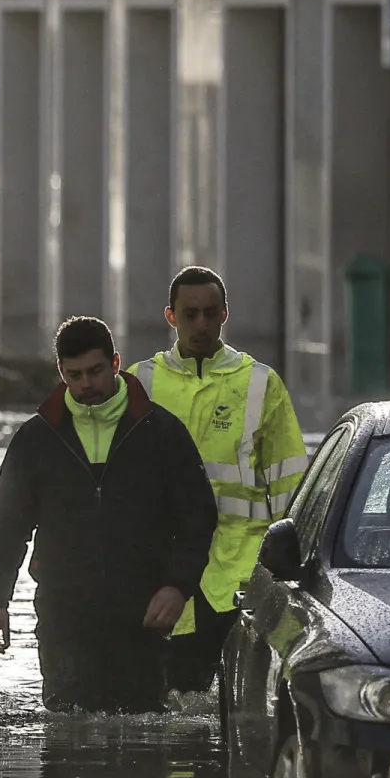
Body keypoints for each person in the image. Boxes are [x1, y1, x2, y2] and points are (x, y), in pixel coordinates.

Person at [0, 316, 217, 713]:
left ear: (116, 363)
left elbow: (198, 518)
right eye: (74, 375)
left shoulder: (161, 432)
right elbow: (8, 527)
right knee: (66, 730)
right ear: (61, 373)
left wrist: (177, 586)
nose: (85, 384)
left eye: (94, 372)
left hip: (143, 613)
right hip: (63, 613)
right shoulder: (37, 439)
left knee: (143, 736)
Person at [128, 267, 308, 694]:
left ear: (225, 314)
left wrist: (295, 571)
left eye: (211, 313)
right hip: (165, 573)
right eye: (190, 314)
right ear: (170, 317)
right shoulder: (139, 382)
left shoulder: (260, 384)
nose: (201, 325)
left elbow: (291, 486)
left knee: (238, 707)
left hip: (240, 574)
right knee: (170, 702)